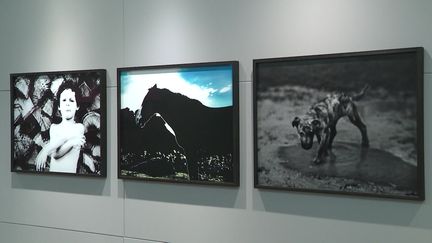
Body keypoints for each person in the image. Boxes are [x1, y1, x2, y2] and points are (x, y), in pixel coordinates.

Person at [35, 80, 86, 173]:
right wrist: (46, 150)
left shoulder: (79, 127)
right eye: (64, 100)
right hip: (53, 178)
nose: (67, 104)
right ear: (59, 106)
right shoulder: (54, 127)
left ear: (77, 106)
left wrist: (46, 149)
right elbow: (55, 153)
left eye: (71, 100)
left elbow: (57, 154)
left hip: (70, 180)